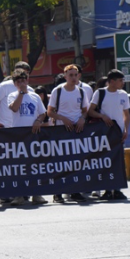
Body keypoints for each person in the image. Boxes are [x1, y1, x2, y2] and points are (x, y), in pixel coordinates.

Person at [47, 64, 90, 203]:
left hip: (77, 130)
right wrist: (63, 119)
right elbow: (50, 111)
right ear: (65, 76)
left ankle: (75, 190)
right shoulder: (57, 91)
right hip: (61, 130)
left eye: (75, 75)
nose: (73, 77)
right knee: (60, 162)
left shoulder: (81, 92)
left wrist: (82, 119)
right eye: (70, 75)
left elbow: (85, 110)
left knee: (76, 162)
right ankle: (58, 192)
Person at [87, 69, 130, 200]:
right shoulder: (100, 93)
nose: (122, 83)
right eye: (120, 80)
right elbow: (90, 111)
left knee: (118, 161)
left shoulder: (123, 94)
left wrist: (126, 130)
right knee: (105, 161)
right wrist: (102, 116)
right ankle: (106, 189)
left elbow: (126, 115)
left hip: (118, 133)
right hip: (103, 133)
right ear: (112, 81)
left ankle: (117, 189)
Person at [7, 69, 47, 206]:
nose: (22, 83)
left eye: (24, 80)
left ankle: (37, 194)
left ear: (27, 81)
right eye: (19, 81)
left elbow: (43, 113)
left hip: (33, 135)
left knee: (34, 165)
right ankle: (19, 195)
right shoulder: (12, 95)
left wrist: (38, 121)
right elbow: (14, 108)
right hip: (18, 135)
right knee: (20, 166)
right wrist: (21, 93)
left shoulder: (35, 97)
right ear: (15, 84)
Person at [0, 61, 33, 128]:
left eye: (26, 73)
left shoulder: (31, 90)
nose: (23, 75)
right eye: (20, 72)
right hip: (4, 128)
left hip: (23, 129)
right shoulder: (5, 86)